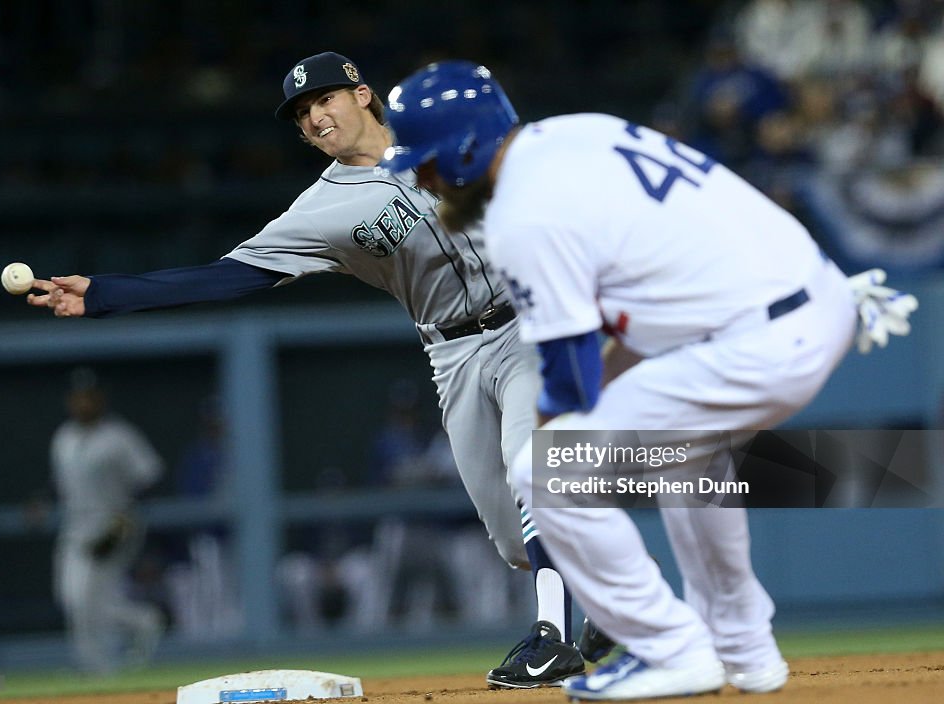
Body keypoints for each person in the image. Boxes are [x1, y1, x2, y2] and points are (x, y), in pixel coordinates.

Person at [25, 51, 583, 687]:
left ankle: (552, 636)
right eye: (301, 115)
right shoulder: (319, 210)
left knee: (531, 467)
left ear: (363, 94)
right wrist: (101, 295)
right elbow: (225, 277)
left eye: (324, 100)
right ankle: (602, 601)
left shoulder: (438, 129)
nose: (315, 118)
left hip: (525, 324)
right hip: (451, 350)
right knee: (515, 542)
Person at [377, 61, 917, 700]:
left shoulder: (526, 217)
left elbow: (571, 382)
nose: (424, 178)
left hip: (754, 340)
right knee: (684, 460)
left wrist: (549, 443)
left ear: (467, 147)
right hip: (811, 296)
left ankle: (671, 649)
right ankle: (743, 649)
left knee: (544, 471)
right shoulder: (578, 133)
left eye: (429, 162)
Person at [51, 367, 166, 674]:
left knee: (86, 600)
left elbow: (150, 477)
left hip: (112, 526)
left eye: (89, 397)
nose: (83, 403)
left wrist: (127, 517)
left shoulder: (119, 436)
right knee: (72, 599)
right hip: (74, 529)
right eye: (78, 397)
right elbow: (63, 488)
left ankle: (96, 670)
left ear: (100, 399)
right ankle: (144, 621)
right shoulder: (63, 438)